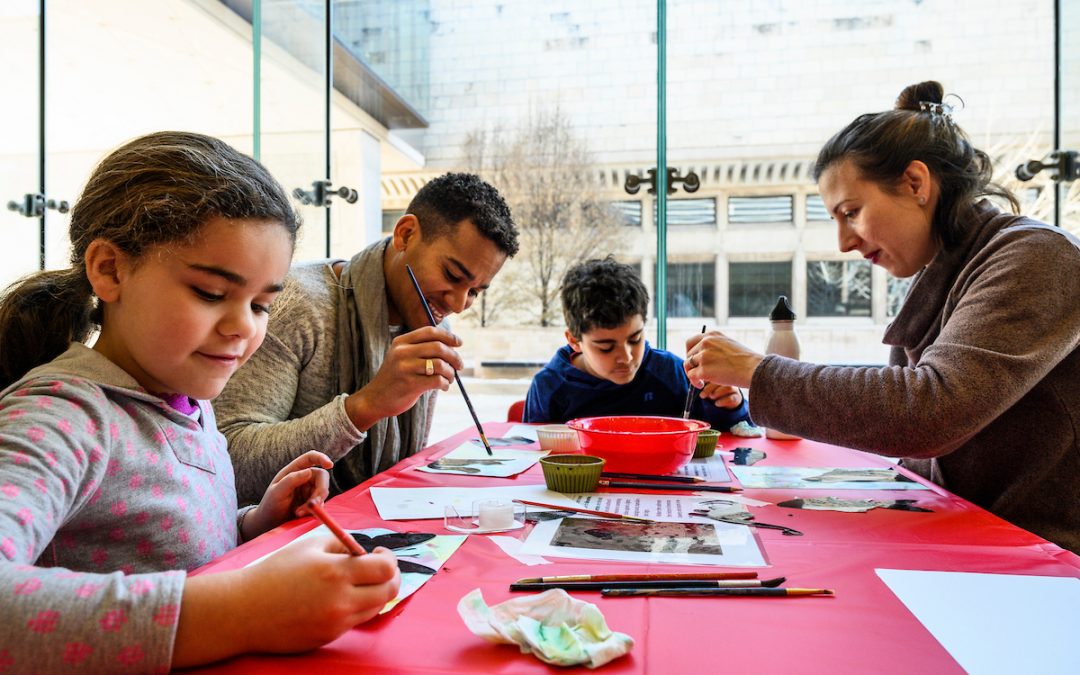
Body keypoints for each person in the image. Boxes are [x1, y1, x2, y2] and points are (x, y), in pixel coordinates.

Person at [0, 132, 400, 671]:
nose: (241, 327)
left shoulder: (188, 398)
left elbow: (159, 550)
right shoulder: (60, 416)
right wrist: (246, 611)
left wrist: (254, 522)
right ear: (110, 270)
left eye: (261, 305)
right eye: (211, 294)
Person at [684, 81, 1080, 554]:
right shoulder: (948, 268)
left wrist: (756, 371)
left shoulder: (1038, 257)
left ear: (916, 183)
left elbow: (930, 412)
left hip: (1041, 560)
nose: (843, 243)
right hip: (970, 537)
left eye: (851, 212)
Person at [215, 173, 519, 502]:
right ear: (406, 234)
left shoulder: (434, 330)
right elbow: (229, 462)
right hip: (283, 543)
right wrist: (366, 406)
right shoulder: (296, 304)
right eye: (453, 275)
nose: (458, 304)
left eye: (474, 291)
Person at [524, 256, 750, 429]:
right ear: (574, 340)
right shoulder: (550, 386)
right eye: (606, 347)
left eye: (635, 339)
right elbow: (533, 456)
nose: (627, 357)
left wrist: (732, 405)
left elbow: (738, 432)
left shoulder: (670, 372)